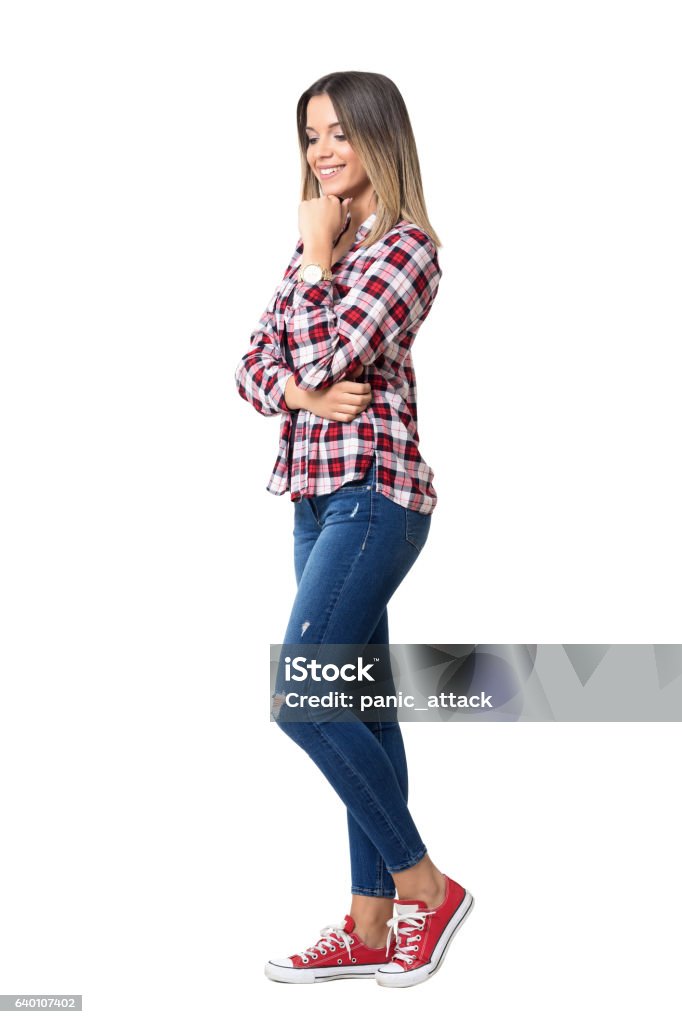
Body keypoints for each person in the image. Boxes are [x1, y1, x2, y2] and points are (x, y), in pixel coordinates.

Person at [234, 71, 474, 988]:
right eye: (310, 136)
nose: (322, 151)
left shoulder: (408, 250)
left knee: (303, 694)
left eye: (338, 132)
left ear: (380, 136)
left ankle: (427, 889)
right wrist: (298, 390)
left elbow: (338, 348)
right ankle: (370, 927)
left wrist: (317, 268)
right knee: (360, 705)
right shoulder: (319, 245)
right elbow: (255, 367)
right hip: (311, 496)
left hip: (377, 495)